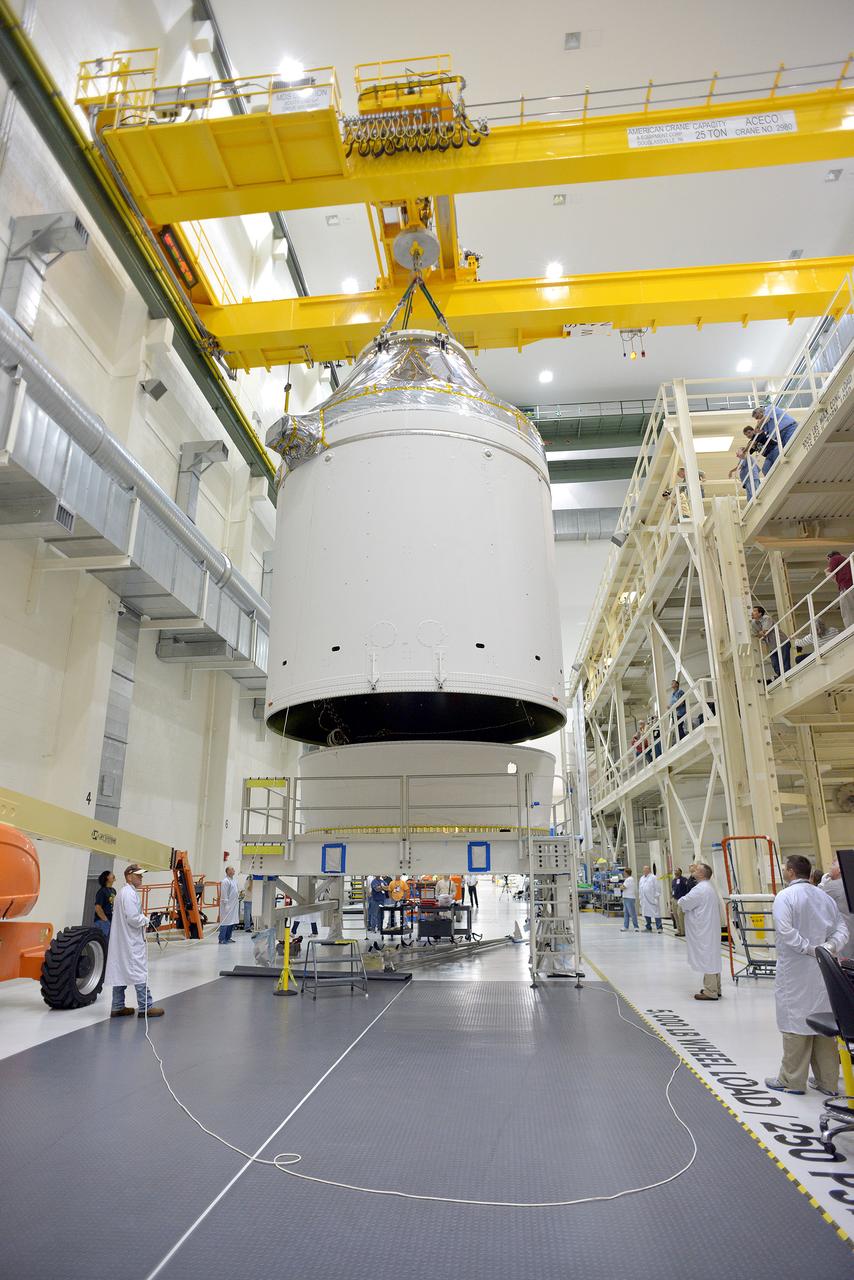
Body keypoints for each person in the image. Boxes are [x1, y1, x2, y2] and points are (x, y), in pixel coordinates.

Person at [765, 854, 849, 1096]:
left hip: (795, 968)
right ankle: (828, 1082)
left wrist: (808, 948)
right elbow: (841, 929)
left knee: (795, 1021)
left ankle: (792, 1080)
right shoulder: (823, 896)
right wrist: (828, 948)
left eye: (784, 868)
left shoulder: (785, 897)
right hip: (823, 969)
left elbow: (785, 931)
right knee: (823, 1023)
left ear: (791, 871)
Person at [104, 864, 164, 1018]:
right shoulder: (129, 894)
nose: (141, 877)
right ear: (129, 876)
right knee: (139, 972)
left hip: (123, 941)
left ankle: (117, 1006)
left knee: (120, 971)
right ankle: (146, 1007)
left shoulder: (123, 893)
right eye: (138, 875)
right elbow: (133, 918)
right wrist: (145, 920)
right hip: (131, 942)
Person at [680, 862, 723, 999]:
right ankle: (716, 987)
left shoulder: (700, 889)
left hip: (704, 930)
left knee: (707, 957)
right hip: (710, 928)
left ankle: (711, 991)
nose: (694, 870)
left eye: (697, 869)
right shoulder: (708, 887)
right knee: (713, 956)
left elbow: (685, 902)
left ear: (701, 874)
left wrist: (680, 901)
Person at [819, 860, 854, 960]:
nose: (830, 867)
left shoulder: (834, 886)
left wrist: (821, 885)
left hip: (843, 935)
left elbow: (813, 900)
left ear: (840, 869)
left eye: (833, 864)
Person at [751, 404, 798, 475]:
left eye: (757, 417)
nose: (758, 419)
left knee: (792, 449)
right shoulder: (764, 424)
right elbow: (760, 432)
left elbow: (766, 419)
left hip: (789, 429)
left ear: (761, 412)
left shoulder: (769, 408)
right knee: (767, 468)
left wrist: (757, 426)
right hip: (780, 438)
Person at [751, 605, 792, 678]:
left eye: (754, 611)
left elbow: (765, 632)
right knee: (775, 664)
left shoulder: (766, 618)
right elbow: (755, 635)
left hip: (782, 642)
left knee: (784, 661)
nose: (752, 613)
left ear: (760, 613)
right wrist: (759, 633)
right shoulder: (754, 623)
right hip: (771, 646)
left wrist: (760, 633)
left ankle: (787, 676)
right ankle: (781, 677)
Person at [826, 551, 854, 632]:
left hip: (846, 586)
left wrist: (826, 572)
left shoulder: (834, 559)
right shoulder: (845, 559)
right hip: (850, 584)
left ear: (829, 557)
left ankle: (850, 630)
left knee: (846, 609)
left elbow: (831, 575)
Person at [218, 865, 239, 944]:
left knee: (231, 922)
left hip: (233, 905)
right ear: (228, 871)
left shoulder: (234, 880)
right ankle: (222, 939)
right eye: (232, 869)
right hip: (227, 905)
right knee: (225, 922)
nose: (233, 870)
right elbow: (224, 893)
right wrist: (226, 904)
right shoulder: (225, 881)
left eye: (233, 869)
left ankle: (228, 937)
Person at [639, 866, 662, 933]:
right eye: (644, 869)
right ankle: (648, 927)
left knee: (656, 913)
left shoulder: (653, 877)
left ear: (649, 870)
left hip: (652, 899)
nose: (644, 870)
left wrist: (656, 897)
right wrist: (640, 898)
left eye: (646, 869)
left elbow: (657, 888)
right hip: (644, 900)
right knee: (646, 913)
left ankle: (659, 927)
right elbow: (640, 889)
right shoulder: (642, 878)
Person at [93, 870, 115, 938]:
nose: (113, 875)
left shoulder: (113, 890)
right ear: (107, 877)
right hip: (102, 922)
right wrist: (106, 921)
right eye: (111, 874)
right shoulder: (102, 891)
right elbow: (98, 908)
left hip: (110, 921)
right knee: (104, 942)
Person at [671, 866, 691, 936]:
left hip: (681, 899)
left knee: (680, 915)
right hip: (674, 899)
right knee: (675, 915)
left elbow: (687, 888)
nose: (675, 871)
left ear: (680, 872)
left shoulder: (683, 879)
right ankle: (678, 930)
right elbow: (673, 889)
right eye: (675, 870)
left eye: (677, 870)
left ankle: (683, 931)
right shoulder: (673, 880)